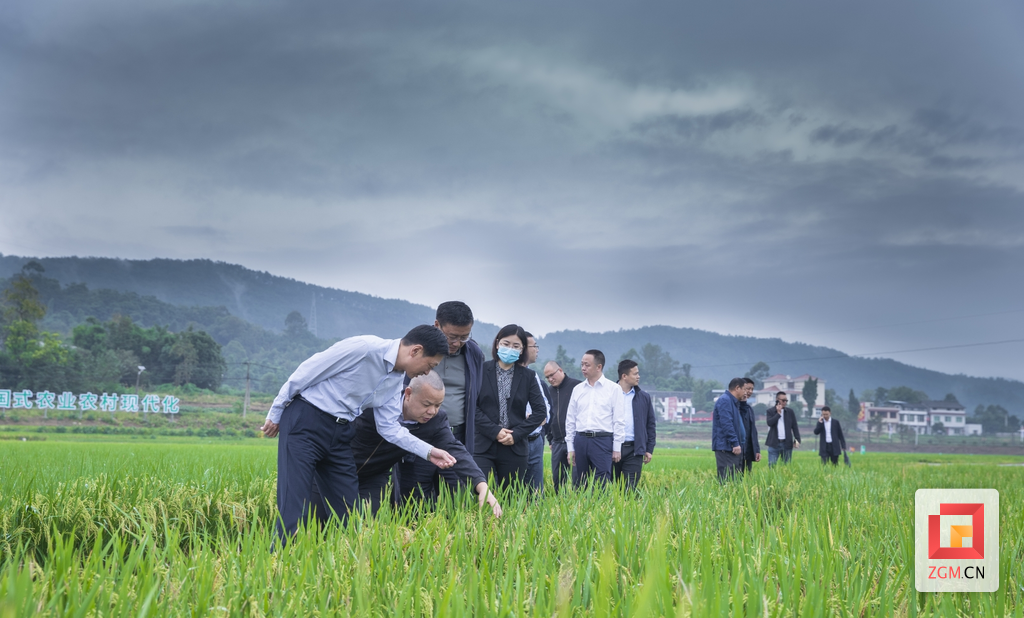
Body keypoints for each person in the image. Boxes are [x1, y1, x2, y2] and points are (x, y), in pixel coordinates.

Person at [260, 325, 457, 542]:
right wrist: (276, 412)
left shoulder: (396, 380)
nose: (427, 373)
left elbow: (389, 427)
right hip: (307, 420)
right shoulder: (364, 348)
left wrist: (429, 452)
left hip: (341, 432)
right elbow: (306, 371)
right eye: (430, 365)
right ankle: (279, 559)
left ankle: (345, 558)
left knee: (349, 512)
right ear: (416, 351)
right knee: (294, 504)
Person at [334, 371, 501, 518]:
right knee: (324, 519)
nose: (432, 411)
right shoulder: (378, 401)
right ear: (408, 393)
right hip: (337, 468)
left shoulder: (435, 421)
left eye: (438, 405)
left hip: (374, 476)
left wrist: (482, 486)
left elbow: (455, 450)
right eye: (427, 404)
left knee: (365, 522)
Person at [397, 301, 484, 503]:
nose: (457, 343)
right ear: (437, 325)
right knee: (416, 497)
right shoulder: (418, 350)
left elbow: (475, 395)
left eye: (464, 337)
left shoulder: (474, 354)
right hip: (420, 434)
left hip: (457, 434)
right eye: (452, 337)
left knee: (457, 496)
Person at [473, 325, 547, 488]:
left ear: (522, 350)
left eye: (516, 346)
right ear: (497, 344)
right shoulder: (481, 370)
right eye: (506, 344)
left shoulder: (528, 376)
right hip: (483, 444)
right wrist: (495, 431)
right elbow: (472, 408)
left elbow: (540, 411)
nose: (510, 349)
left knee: (511, 495)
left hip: (514, 446)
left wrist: (517, 434)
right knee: (484, 492)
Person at [565, 350, 626, 487]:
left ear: (599, 367)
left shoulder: (614, 389)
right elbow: (570, 420)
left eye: (587, 365)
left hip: (602, 440)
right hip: (580, 440)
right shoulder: (578, 389)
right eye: (582, 364)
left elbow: (619, 421)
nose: (583, 368)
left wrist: (617, 447)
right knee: (580, 482)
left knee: (601, 482)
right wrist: (570, 447)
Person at [612, 360, 657, 490]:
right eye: (635, 374)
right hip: (611, 448)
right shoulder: (609, 394)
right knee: (609, 487)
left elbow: (650, 425)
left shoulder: (644, 397)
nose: (638, 376)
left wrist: (649, 449)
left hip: (634, 450)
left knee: (629, 488)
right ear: (624, 376)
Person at [542, 361, 581, 493]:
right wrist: (550, 438)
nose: (550, 379)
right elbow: (547, 415)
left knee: (578, 478)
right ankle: (560, 502)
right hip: (557, 442)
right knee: (558, 479)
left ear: (560, 370)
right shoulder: (548, 392)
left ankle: (579, 501)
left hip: (575, 440)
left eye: (552, 375)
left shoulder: (577, 386)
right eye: (547, 377)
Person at [521, 332, 551, 493]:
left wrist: (537, 418)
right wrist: (533, 419)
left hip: (536, 439)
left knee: (536, 492)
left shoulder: (533, 375)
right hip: (518, 439)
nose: (537, 350)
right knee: (515, 490)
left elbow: (545, 409)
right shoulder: (508, 375)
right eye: (534, 346)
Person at [711, 378, 746, 483]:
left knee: (735, 480)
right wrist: (735, 443)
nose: (745, 392)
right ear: (737, 388)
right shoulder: (725, 400)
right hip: (726, 448)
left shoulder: (734, 402)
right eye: (744, 389)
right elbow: (727, 424)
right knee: (727, 480)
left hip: (732, 448)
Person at [765, 392, 801, 467]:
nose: (785, 402)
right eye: (783, 400)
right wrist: (778, 414)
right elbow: (769, 423)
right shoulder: (770, 411)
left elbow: (795, 427)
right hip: (774, 443)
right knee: (772, 466)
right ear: (777, 399)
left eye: (786, 400)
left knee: (786, 467)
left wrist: (797, 441)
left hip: (787, 443)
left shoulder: (790, 412)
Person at [738, 378, 761, 473]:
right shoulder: (734, 406)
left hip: (748, 449)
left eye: (752, 389)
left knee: (747, 476)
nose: (750, 391)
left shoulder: (749, 409)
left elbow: (753, 431)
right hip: (737, 449)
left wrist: (756, 450)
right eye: (748, 388)